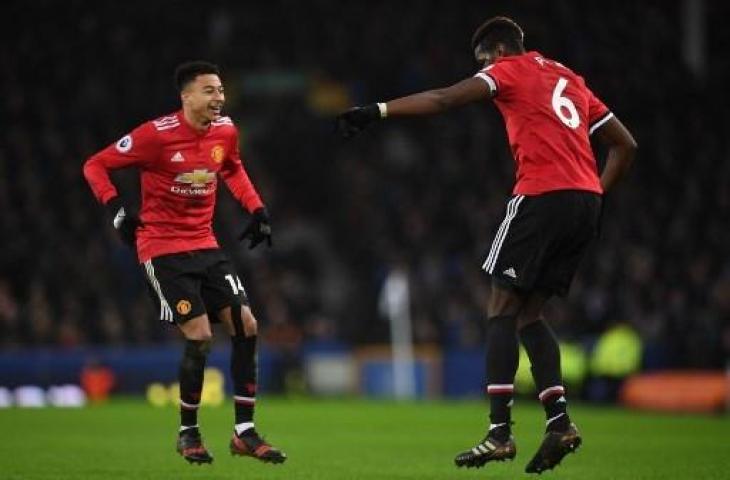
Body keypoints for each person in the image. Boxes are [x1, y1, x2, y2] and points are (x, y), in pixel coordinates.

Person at [336, 16, 636, 474]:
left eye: (482, 63)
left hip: (541, 195)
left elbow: (442, 99)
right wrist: (594, 192)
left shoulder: (508, 69)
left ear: (496, 53)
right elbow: (626, 145)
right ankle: (559, 423)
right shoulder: (568, 77)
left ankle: (499, 433)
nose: (482, 71)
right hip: (585, 204)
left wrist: (376, 110)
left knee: (499, 307)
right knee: (530, 314)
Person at [83, 61, 286, 466]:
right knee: (199, 334)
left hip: (205, 244)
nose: (219, 98)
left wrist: (257, 209)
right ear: (187, 96)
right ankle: (188, 432)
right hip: (162, 248)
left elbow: (232, 168)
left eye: (221, 90)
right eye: (210, 90)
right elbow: (95, 165)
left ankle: (244, 432)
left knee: (246, 323)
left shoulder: (225, 131)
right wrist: (118, 210)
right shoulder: (153, 136)